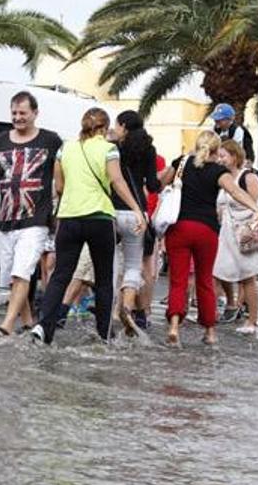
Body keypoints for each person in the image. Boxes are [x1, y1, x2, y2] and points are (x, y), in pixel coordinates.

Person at [32, 108, 146, 345]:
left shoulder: (66, 148)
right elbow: (117, 181)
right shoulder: (108, 149)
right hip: (99, 218)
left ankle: (44, 327)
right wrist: (136, 209)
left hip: (70, 218)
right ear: (104, 129)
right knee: (104, 279)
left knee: (60, 275)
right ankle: (104, 334)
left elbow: (60, 185)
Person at [0, 91, 62, 336]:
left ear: (35, 113)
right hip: (8, 220)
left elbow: (65, 171)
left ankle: (6, 325)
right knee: (13, 276)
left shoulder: (51, 140)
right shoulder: (0, 141)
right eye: (14, 113)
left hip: (36, 220)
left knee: (22, 271)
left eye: (23, 113)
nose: (18, 118)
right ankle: (29, 322)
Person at [159, 131, 258, 346]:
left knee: (178, 280)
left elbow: (160, 181)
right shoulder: (219, 171)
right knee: (205, 281)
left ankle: (173, 326)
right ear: (216, 151)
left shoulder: (182, 163)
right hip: (206, 230)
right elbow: (235, 191)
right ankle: (210, 332)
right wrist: (256, 208)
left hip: (178, 228)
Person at [110, 110, 160, 332]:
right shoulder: (148, 150)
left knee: (109, 264)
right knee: (133, 265)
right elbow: (153, 186)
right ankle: (128, 306)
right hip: (136, 213)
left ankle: (110, 307)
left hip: (111, 211)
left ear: (124, 126)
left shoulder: (113, 149)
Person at [212, 140, 258, 334]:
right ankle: (218, 310)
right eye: (218, 156)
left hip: (244, 234)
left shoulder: (248, 177)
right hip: (226, 233)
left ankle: (252, 320)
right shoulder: (221, 178)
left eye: (223, 156)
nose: (220, 159)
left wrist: (253, 230)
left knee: (247, 277)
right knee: (217, 271)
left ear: (235, 157)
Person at [137, 153, 167, 328]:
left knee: (135, 266)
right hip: (148, 217)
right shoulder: (154, 158)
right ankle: (144, 311)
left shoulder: (121, 154)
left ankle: (133, 308)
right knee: (147, 268)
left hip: (140, 214)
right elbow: (158, 184)